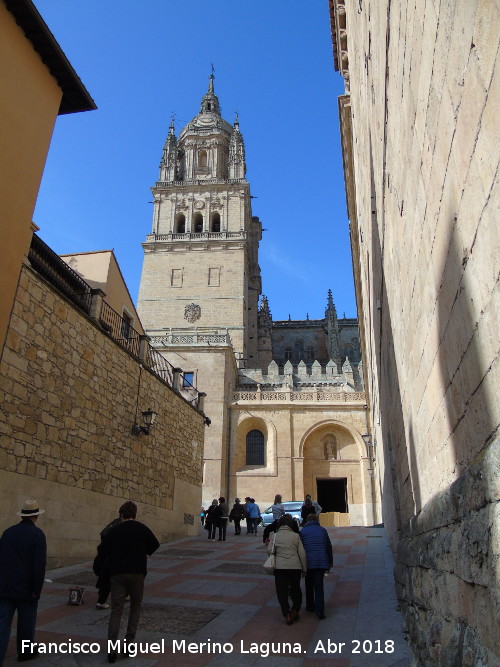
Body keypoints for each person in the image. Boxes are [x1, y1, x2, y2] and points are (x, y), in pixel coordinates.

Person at [98, 501, 159, 663]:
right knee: (135, 607)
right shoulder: (142, 528)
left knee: (116, 609)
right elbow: (154, 546)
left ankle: (112, 648)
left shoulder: (115, 530)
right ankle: (128, 643)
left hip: (117, 574)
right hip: (137, 573)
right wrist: (140, 550)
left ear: (121, 514)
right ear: (135, 513)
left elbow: (102, 549)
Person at [0, 499, 47, 664]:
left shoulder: (8, 532)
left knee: (2, 622)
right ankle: (25, 651)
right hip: (26, 588)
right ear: (36, 516)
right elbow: (39, 565)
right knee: (26, 622)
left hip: (5, 585)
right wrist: (37, 589)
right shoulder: (37, 535)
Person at [268, 514, 307, 625]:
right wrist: (304, 569)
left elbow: (270, 551)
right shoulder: (295, 536)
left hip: (280, 568)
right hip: (295, 567)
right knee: (296, 589)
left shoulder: (275, 536)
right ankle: (295, 609)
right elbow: (302, 554)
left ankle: (287, 613)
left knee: (282, 591)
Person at [299, 514, 333, 620]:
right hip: (320, 562)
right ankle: (320, 610)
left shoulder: (303, 532)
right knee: (319, 587)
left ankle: (310, 606)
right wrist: (330, 563)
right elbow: (328, 547)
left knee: (308, 585)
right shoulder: (322, 530)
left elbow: (300, 549)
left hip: (308, 562)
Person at [94, 509, 124, 609]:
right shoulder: (121, 525)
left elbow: (103, 534)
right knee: (116, 577)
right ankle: (103, 601)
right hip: (113, 557)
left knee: (106, 579)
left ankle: (101, 601)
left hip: (105, 556)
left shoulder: (113, 523)